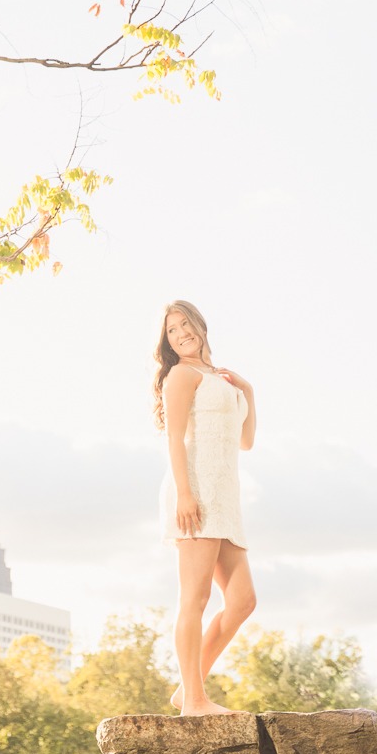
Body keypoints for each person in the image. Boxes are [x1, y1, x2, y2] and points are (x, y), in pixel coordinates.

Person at [153, 299, 257, 716]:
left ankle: (187, 688)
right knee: (193, 599)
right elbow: (174, 439)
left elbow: (245, 441)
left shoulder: (221, 378)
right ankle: (194, 701)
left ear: (200, 324)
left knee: (243, 601)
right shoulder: (180, 375)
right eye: (172, 330)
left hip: (224, 497)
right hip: (194, 491)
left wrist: (248, 391)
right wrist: (184, 493)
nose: (180, 334)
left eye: (184, 325)